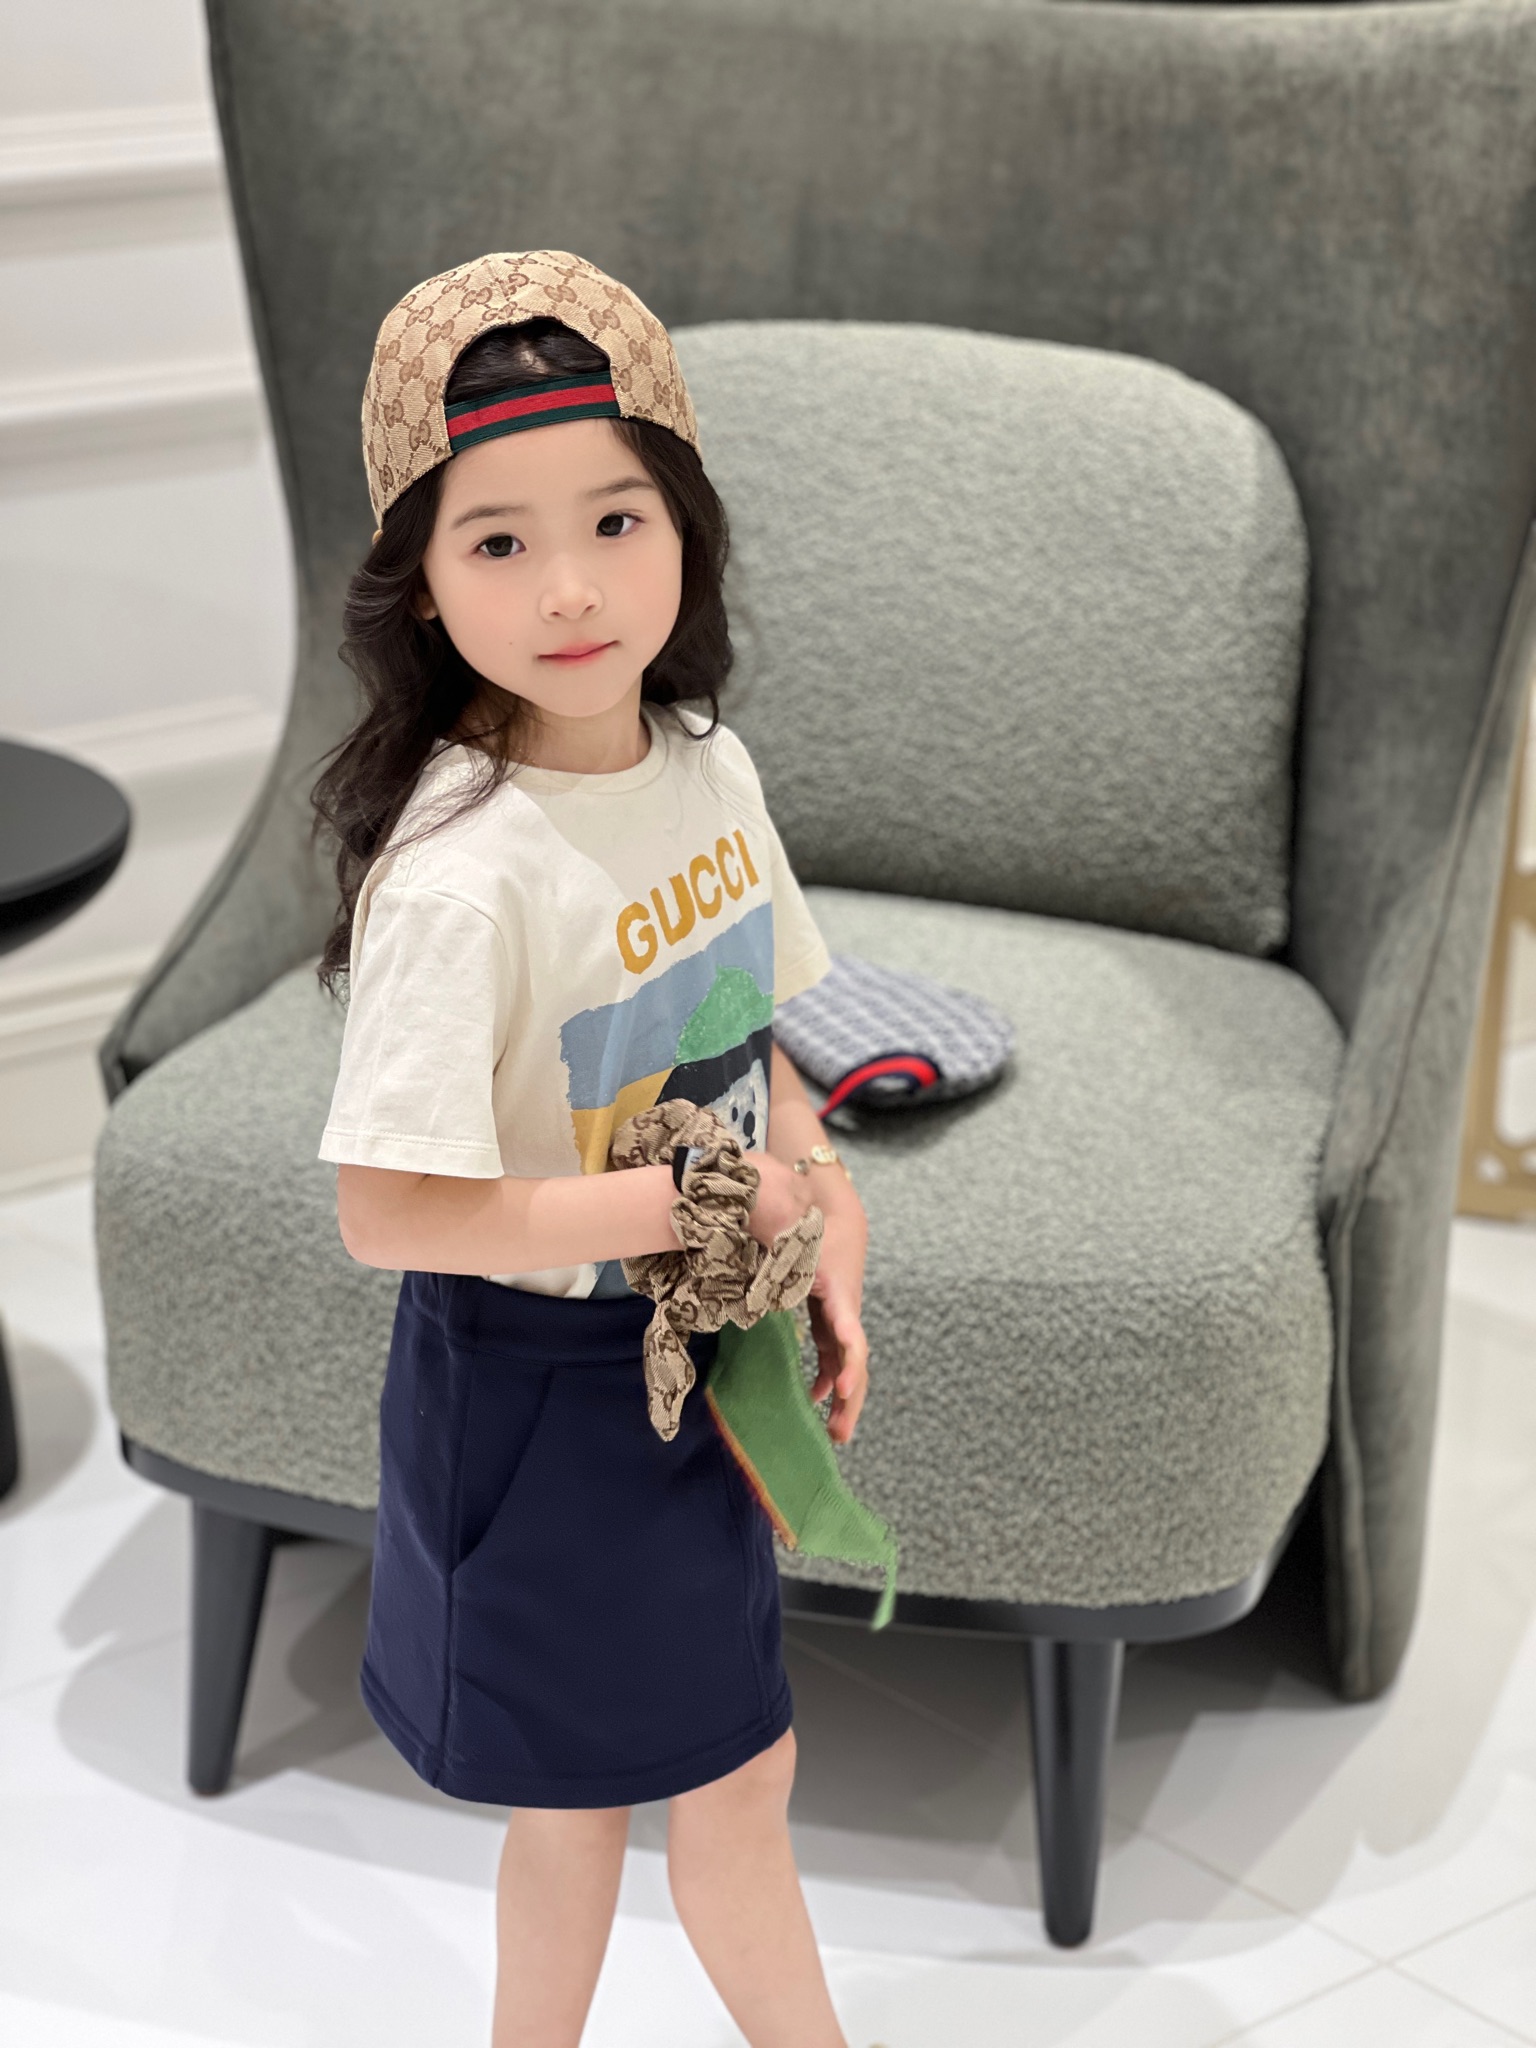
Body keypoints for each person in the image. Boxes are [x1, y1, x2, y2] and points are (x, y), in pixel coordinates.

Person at [312, 251, 871, 2048]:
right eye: (498, 541)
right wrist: (696, 1200)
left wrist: (825, 1221)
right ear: (420, 578)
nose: (571, 587)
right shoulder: (460, 874)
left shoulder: (710, 770)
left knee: (689, 1783)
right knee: (643, 1795)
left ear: (684, 523)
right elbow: (386, 1211)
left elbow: (761, 1038)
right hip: (539, 1395)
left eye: (617, 519)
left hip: (705, 1352)